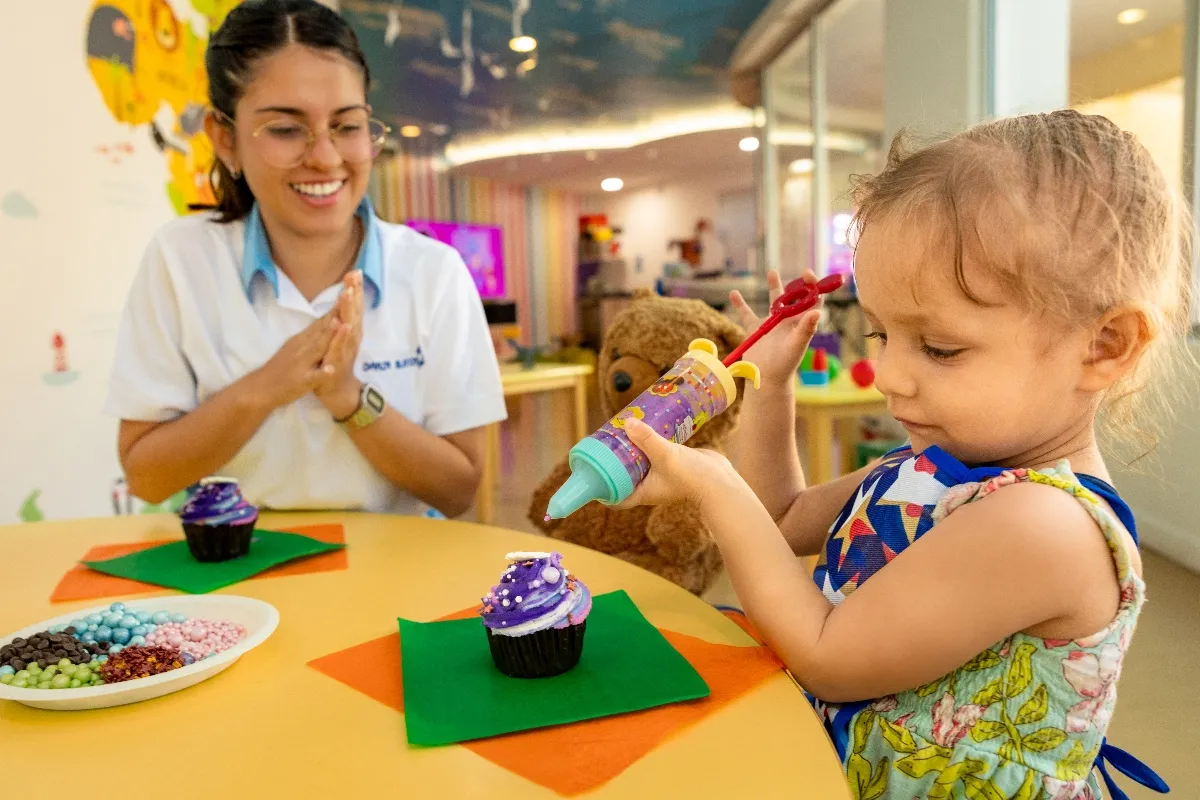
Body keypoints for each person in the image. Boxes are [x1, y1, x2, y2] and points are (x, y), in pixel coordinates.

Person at [616, 110, 1184, 799]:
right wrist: (771, 387)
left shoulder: (1044, 527)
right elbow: (783, 517)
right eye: (881, 333)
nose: (886, 374)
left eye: (939, 347)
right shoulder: (935, 466)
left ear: (1104, 346)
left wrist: (715, 487)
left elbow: (827, 655)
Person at [105, 0, 505, 518]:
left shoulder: (434, 272)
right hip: (233, 572)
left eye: (346, 125)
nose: (324, 156)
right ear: (225, 139)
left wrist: (347, 398)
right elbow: (147, 475)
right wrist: (270, 385)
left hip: (396, 571)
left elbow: (458, 490)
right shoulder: (181, 259)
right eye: (286, 129)